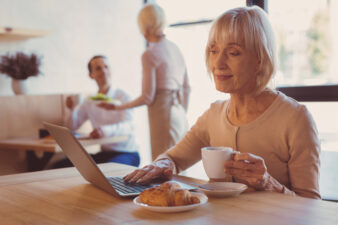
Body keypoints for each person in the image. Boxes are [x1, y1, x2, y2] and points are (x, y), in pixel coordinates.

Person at [123, 6, 321, 199]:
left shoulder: (296, 119)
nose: (217, 64)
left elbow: (312, 207)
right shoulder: (214, 114)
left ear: (260, 59)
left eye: (233, 52)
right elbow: (173, 158)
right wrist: (163, 164)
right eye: (213, 50)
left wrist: (269, 183)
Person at [98, 4, 191, 160]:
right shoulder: (175, 48)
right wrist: (181, 112)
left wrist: (118, 107)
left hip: (162, 115)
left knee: (163, 165)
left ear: (146, 27)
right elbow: (187, 88)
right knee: (180, 164)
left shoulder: (150, 54)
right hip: (179, 113)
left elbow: (147, 97)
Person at [52, 55, 140, 168]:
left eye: (106, 67)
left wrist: (104, 131)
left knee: (107, 171)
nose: (103, 70)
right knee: (60, 165)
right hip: (105, 154)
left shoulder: (123, 96)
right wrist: (72, 109)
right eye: (98, 68)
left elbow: (129, 127)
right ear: (91, 75)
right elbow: (72, 127)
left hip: (128, 153)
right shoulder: (89, 101)